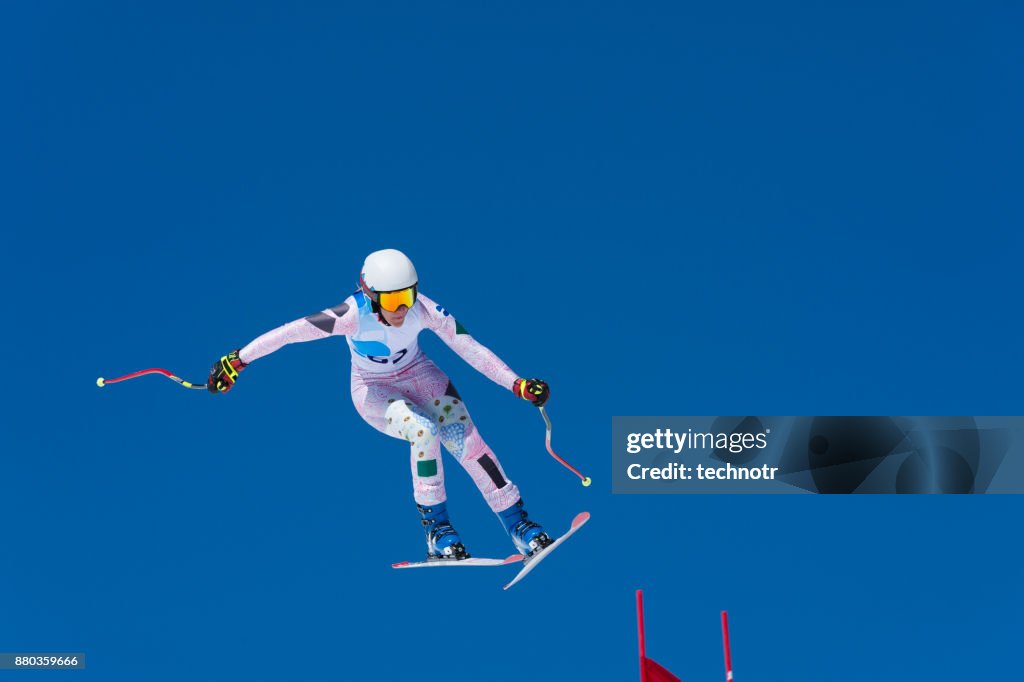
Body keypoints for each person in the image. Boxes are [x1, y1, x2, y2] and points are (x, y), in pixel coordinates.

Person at [208, 248, 553, 560]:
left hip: (421, 376)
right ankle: (438, 532)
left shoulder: (425, 310)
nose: (402, 308)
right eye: (392, 300)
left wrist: (516, 384)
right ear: (370, 296)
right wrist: (239, 360)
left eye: (407, 295)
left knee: (466, 440)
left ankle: (518, 526)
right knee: (423, 432)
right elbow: (291, 332)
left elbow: (469, 347)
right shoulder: (350, 314)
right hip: (374, 391)